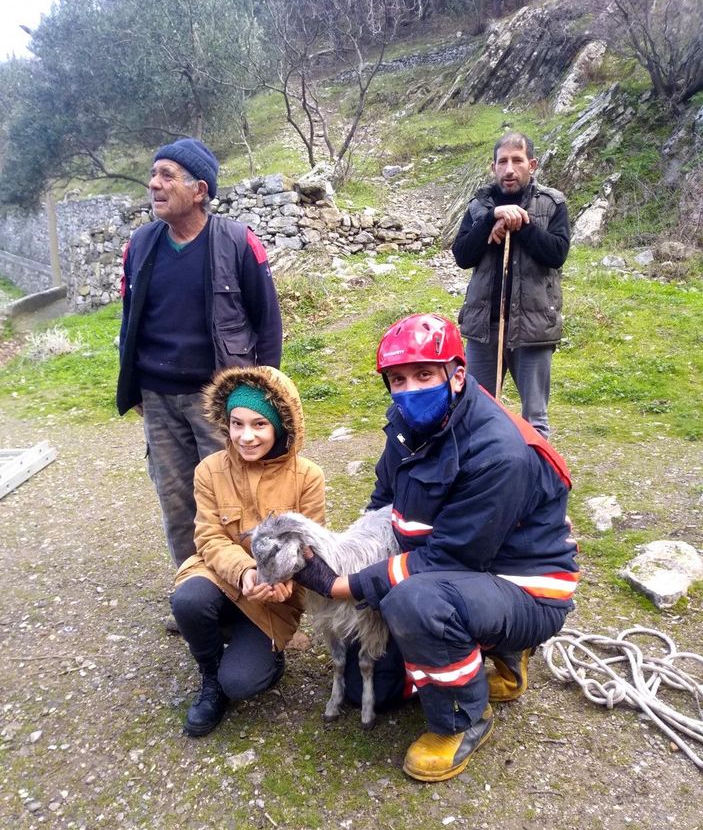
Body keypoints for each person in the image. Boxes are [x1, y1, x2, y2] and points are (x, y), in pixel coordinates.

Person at [293, 313, 579, 782]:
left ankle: (463, 721)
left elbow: (447, 560)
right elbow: (384, 503)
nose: (410, 389)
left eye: (425, 375)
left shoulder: (499, 452)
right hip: (463, 574)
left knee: (414, 601)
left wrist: (342, 582)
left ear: (457, 374)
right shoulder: (406, 425)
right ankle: (492, 651)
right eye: (398, 379)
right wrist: (350, 552)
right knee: (377, 693)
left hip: (522, 588)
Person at [116, 137, 283, 566]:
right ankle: (196, 589)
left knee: (235, 497)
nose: (154, 184)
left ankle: (250, 594)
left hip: (220, 398)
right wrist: (132, 386)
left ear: (200, 190)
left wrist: (262, 394)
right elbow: (129, 319)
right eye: (153, 174)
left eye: (167, 175)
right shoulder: (140, 245)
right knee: (176, 502)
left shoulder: (237, 242)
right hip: (158, 397)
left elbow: (267, 322)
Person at [171, 364, 325, 736]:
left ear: (281, 426)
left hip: (274, 597)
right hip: (219, 576)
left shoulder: (308, 477)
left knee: (242, 684)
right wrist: (245, 571)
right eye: (237, 424)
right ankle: (209, 676)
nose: (246, 436)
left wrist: (282, 582)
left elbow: (310, 548)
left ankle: (266, 657)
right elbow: (208, 537)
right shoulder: (209, 470)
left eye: (259, 424)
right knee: (188, 600)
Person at [452, 131, 570, 438]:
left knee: (535, 420)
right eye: (502, 161)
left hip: (532, 328)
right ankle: (483, 479)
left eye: (517, 161)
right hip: (483, 327)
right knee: (475, 411)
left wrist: (521, 223)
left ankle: (535, 481)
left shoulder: (552, 203)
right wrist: (493, 218)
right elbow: (462, 255)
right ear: (493, 167)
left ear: (532, 164)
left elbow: (557, 254)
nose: (509, 169)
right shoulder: (480, 204)